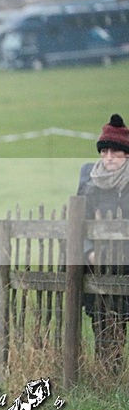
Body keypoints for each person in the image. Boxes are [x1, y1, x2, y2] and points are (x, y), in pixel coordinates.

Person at [77, 113, 129, 373]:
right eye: (105, 151)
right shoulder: (90, 182)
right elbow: (79, 224)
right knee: (100, 318)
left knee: (122, 316)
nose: (109, 157)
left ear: (126, 155)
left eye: (115, 152)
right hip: (97, 265)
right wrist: (89, 252)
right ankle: (107, 372)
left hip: (125, 266)